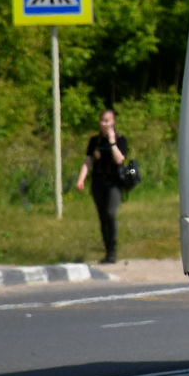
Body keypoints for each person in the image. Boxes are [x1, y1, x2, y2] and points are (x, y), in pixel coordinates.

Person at [75, 108, 127, 264]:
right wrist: (81, 179)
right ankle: (108, 251)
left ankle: (113, 249)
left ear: (113, 122)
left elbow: (119, 160)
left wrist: (112, 143)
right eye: (102, 120)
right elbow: (88, 161)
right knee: (102, 216)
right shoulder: (94, 141)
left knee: (110, 213)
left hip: (114, 183)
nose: (103, 124)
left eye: (107, 121)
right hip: (98, 183)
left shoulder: (120, 139)